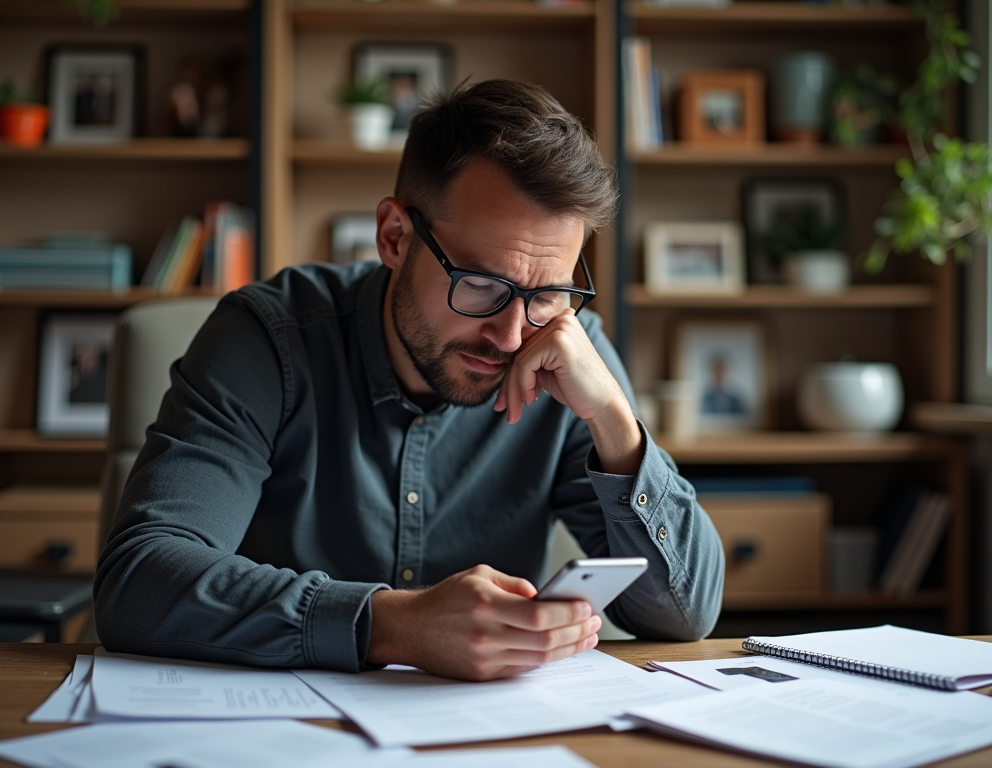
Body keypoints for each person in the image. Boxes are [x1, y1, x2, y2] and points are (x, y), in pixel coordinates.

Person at [94, 79, 724, 682]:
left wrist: (617, 425)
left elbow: (682, 615)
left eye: (547, 294)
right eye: (479, 284)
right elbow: (140, 583)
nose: (511, 337)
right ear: (395, 237)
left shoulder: (566, 355)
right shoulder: (265, 340)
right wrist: (388, 625)